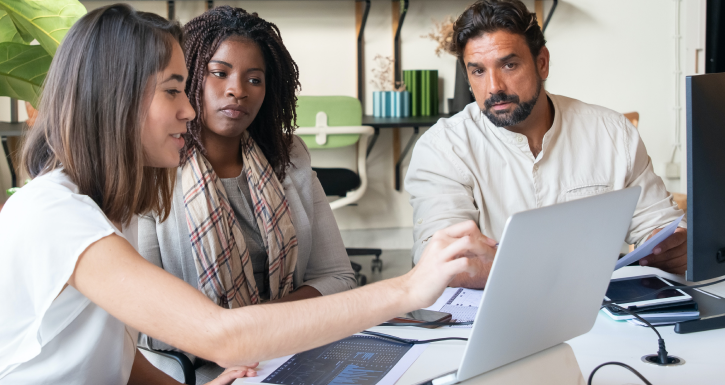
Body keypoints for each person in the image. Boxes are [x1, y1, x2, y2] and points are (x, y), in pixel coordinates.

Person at [0, 5, 490, 384]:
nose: (189, 110)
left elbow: (115, 358)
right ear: (118, 97)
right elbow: (220, 335)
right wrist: (408, 288)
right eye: (174, 90)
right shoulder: (53, 213)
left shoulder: (100, 206)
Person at [405, 0, 686, 289]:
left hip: (599, 317)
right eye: (478, 71)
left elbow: (661, 225)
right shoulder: (442, 149)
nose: (494, 87)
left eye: (509, 65)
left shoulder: (612, 133)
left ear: (542, 63)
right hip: (482, 321)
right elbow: (444, 262)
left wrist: (671, 246)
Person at [138, 7, 356, 368]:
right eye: (219, 73)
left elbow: (337, 278)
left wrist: (260, 327)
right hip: (197, 369)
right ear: (188, 78)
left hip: (291, 352)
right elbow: (147, 323)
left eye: (254, 79)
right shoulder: (154, 169)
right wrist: (240, 335)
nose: (237, 90)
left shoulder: (291, 158)